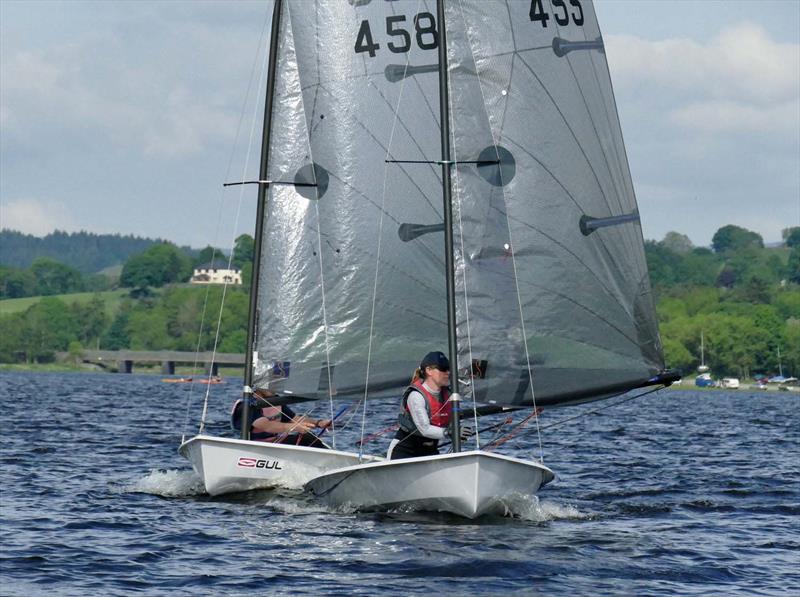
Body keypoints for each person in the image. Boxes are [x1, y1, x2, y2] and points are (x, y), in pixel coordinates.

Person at [387, 351, 472, 460]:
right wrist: (450, 432)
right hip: (404, 452)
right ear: (429, 371)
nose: (448, 372)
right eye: (443, 368)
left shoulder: (450, 395)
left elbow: (451, 422)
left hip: (430, 452)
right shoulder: (416, 396)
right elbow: (425, 429)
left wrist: (460, 431)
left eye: (449, 369)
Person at [231, 389, 332, 448]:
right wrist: (295, 427)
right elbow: (267, 426)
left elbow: (295, 419)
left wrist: (319, 423)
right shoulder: (246, 405)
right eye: (269, 385)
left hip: (274, 445)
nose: (273, 388)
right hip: (252, 448)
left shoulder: (275, 401)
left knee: (309, 438)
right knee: (305, 437)